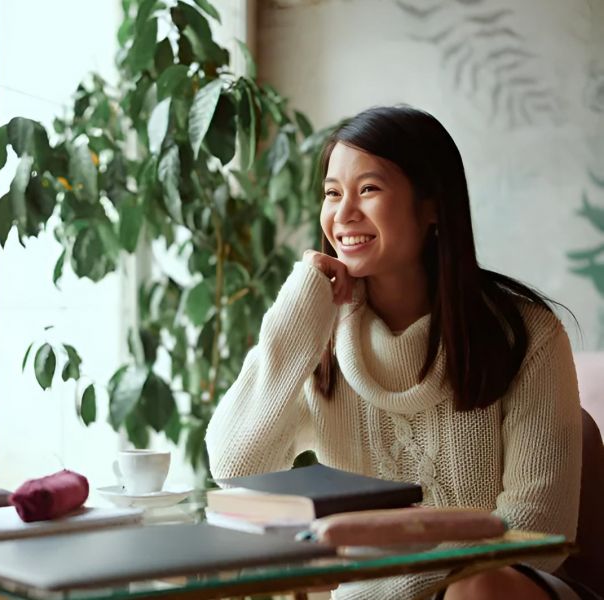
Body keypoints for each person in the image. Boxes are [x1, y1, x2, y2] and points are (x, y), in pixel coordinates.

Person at [206, 106, 588, 599]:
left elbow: (537, 534)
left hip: (499, 590)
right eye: (331, 193)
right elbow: (236, 465)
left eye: (368, 189)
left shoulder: (527, 335)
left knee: (478, 589)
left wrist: (399, 573)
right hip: (367, 594)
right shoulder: (316, 336)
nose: (342, 214)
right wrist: (299, 310)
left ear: (432, 206)